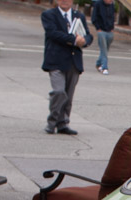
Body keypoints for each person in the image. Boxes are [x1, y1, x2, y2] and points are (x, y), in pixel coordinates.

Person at [41, 0, 88, 135]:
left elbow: (87, 35)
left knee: (68, 96)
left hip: (73, 61)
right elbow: (53, 33)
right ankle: (52, 121)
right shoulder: (48, 15)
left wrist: (84, 41)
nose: (64, 1)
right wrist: (73, 40)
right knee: (59, 91)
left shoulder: (79, 16)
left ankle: (63, 123)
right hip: (56, 61)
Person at [91, 0, 115, 75]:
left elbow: (112, 16)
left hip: (109, 30)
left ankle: (98, 63)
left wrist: (112, 27)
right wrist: (98, 28)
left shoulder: (112, 5)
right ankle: (104, 67)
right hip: (101, 30)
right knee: (104, 49)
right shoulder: (98, 4)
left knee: (105, 49)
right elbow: (94, 17)